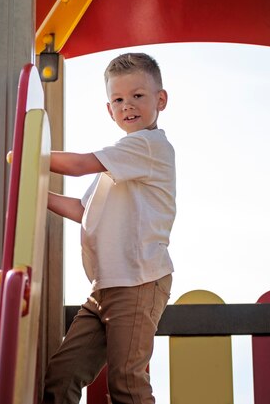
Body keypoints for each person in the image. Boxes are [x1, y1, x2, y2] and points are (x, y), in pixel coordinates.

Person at [43, 53, 176, 404]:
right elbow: (80, 209)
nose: (127, 106)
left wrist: (30, 153)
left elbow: (80, 164)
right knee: (62, 376)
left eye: (138, 96)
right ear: (109, 109)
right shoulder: (117, 164)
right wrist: (35, 189)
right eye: (118, 99)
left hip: (138, 281)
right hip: (105, 287)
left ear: (160, 100)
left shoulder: (150, 146)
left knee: (126, 384)